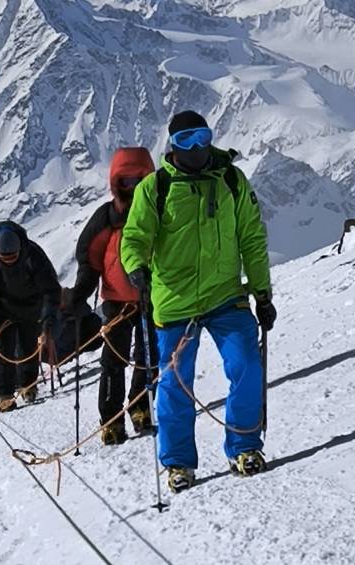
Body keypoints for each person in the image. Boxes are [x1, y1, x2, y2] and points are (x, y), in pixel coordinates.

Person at [120, 111, 277, 493]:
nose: (197, 147)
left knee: (246, 366)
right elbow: (135, 236)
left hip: (225, 294)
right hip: (174, 301)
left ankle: (244, 447)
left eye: (202, 137)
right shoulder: (155, 188)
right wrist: (135, 266)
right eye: (186, 139)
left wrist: (262, 292)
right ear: (173, 144)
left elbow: (252, 239)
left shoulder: (231, 180)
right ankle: (178, 463)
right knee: (174, 384)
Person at [70, 147, 159, 445]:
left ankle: (140, 407)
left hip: (152, 298)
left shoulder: (158, 211)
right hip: (116, 301)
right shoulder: (107, 216)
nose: (132, 188)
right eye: (127, 181)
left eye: (138, 180)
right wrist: (80, 294)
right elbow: (89, 259)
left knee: (149, 356)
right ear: (116, 183)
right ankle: (110, 419)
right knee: (113, 360)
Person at [0, 221, 61, 412]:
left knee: (28, 348)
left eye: (12, 256)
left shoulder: (34, 257)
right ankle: (4, 395)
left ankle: (28, 385)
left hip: (31, 308)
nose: (9, 260)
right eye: (5, 257)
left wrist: (49, 314)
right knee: (3, 350)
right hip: (5, 310)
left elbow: (50, 288)